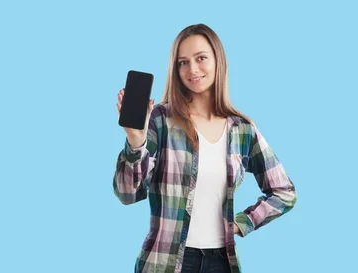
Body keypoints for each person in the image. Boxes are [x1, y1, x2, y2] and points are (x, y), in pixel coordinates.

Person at [113, 24, 297, 273]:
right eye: (183, 62)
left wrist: (242, 223)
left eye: (201, 58)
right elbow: (127, 194)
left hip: (222, 263)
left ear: (217, 60)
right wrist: (136, 141)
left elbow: (284, 192)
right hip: (163, 263)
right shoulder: (160, 120)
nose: (193, 69)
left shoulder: (242, 129)